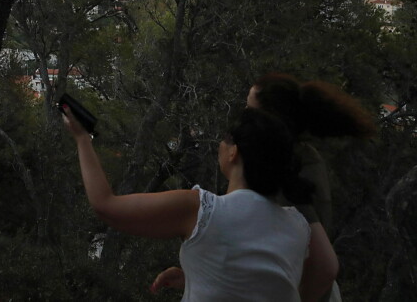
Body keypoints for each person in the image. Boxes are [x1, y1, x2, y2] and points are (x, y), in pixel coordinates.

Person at [63, 105, 338, 301]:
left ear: (234, 153)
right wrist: (197, 277)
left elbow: (105, 206)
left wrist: (82, 139)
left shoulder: (202, 210)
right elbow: (266, 285)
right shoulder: (297, 227)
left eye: (224, 139)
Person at [245, 73, 375, 302]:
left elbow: (323, 267)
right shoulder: (291, 158)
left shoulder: (291, 170)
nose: (243, 118)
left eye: (250, 111)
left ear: (272, 119)